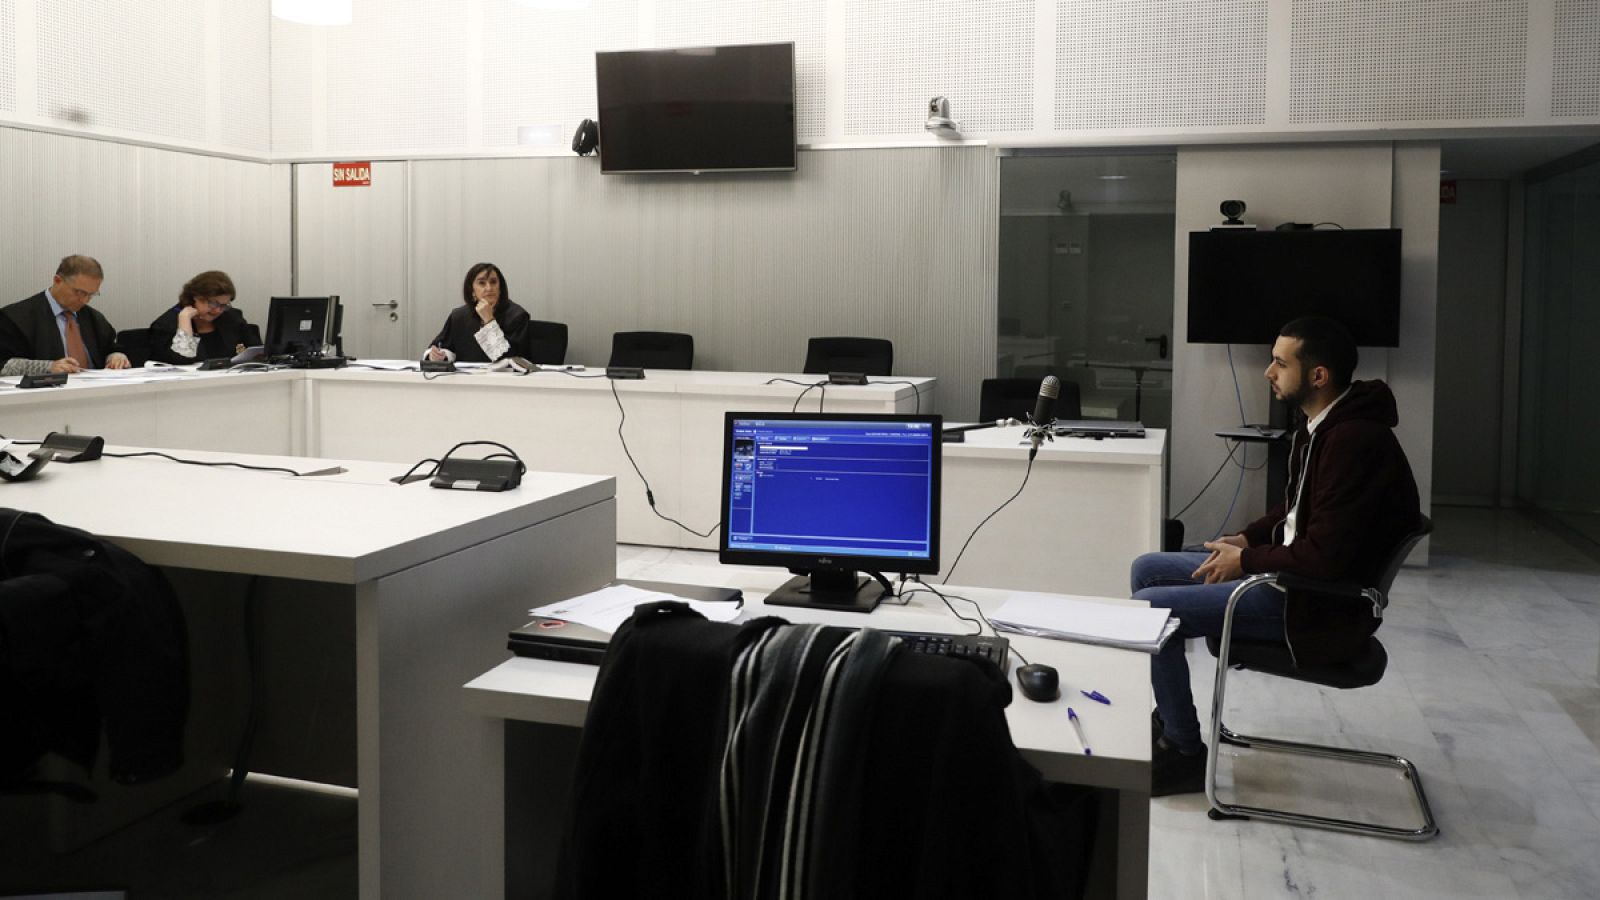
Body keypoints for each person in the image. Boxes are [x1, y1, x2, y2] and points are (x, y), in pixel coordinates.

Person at [1130, 315, 1420, 797]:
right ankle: (1172, 712)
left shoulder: (1353, 442)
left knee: (1150, 608)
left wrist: (1245, 563)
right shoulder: (1326, 425)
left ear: (1318, 375)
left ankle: (1183, 750)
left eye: (1280, 363)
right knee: (1148, 568)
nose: (1269, 372)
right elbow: (1295, 511)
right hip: (1292, 578)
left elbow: (1324, 557)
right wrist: (1246, 539)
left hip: (1312, 605)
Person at [0, 255, 130, 375]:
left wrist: (116, 357)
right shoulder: (16, 318)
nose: (84, 301)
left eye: (91, 295)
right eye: (79, 292)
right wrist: (47, 368)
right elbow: (4, 364)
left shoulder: (93, 318)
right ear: (57, 281)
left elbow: (110, 348)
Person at [423, 262, 531, 364]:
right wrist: (438, 356)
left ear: (500, 288)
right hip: (466, 380)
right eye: (482, 283)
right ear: (472, 290)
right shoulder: (459, 316)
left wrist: (489, 321)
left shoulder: (517, 316)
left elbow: (509, 359)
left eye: (493, 282)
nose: (489, 288)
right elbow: (443, 347)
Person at [148, 270, 257, 365]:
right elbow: (182, 360)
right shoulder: (165, 325)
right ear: (195, 298)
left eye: (224, 305)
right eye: (213, 304)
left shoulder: (231, 318)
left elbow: (256, 351)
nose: (218, 310)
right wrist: (185, 320)